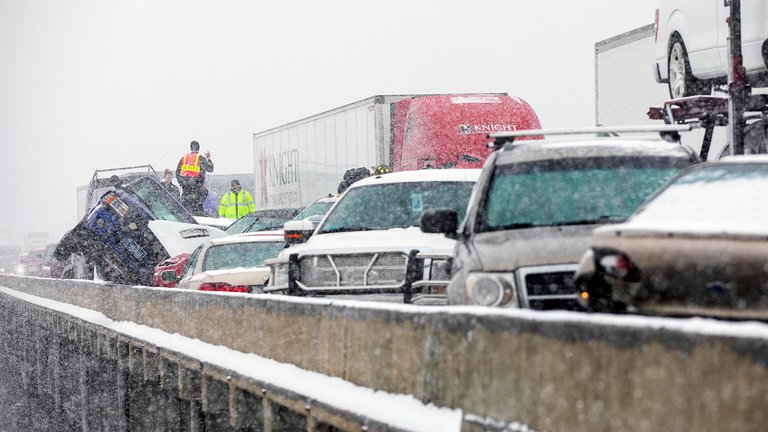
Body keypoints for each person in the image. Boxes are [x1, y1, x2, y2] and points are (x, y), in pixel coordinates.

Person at [176, 140, 214, 215]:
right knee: (197, 214)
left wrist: (183, 183)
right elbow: (210, 168)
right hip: (197, 191)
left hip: (186, 192)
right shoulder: (201, 159)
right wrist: (209, 158)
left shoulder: (184, 159)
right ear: (198, 149)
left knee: (186, 214)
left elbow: (177, 172)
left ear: (190, 148)